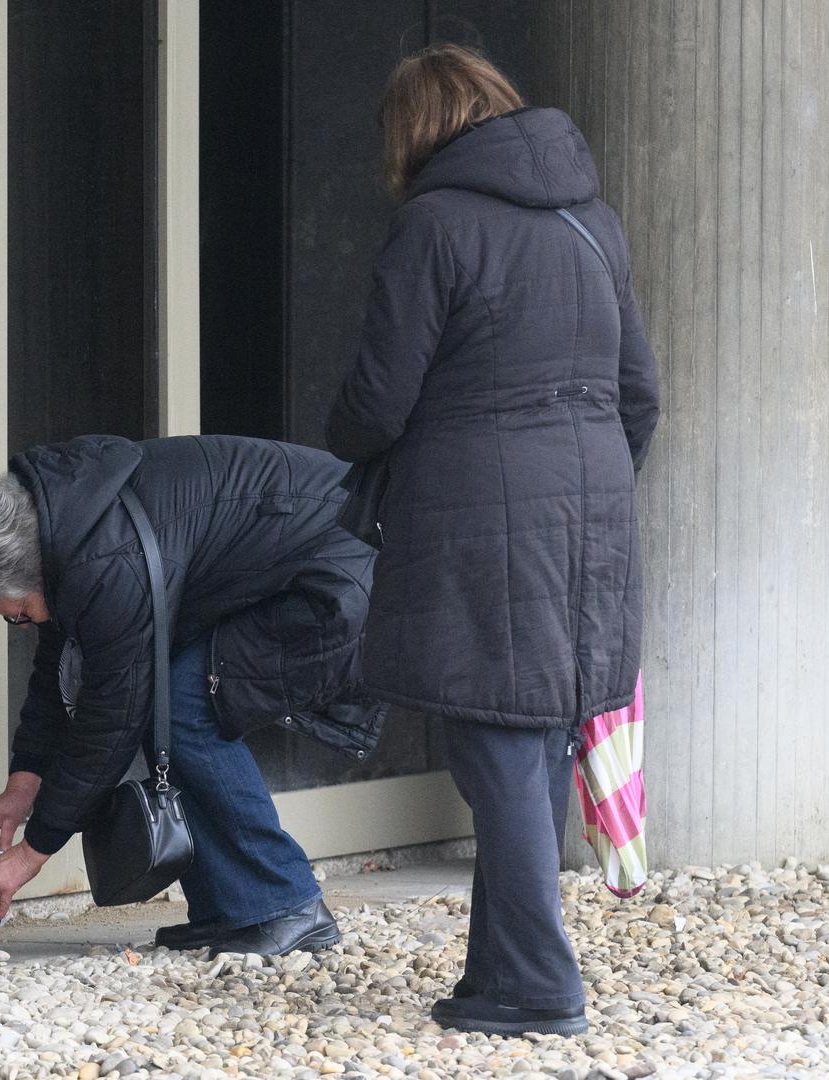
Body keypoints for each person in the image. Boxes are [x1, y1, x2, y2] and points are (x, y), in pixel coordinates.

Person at [325, 45, 660, 1037]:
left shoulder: (431, 226)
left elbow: (377, 400)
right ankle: (496, 973)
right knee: (534, 738)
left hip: (478, 521)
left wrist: (342, 439)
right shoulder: (588, 222)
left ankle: (535, 987)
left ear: (412, 131)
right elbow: (638, 394)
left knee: (498, 746)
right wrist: (586, 484)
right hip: (592, 513)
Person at [0, 434, 387, 958]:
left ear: (29, 570)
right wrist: (22, 785)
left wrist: (32, 853)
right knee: (171, 701)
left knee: (188, 707)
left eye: (17, 613)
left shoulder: (105, 559)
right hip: (317, 549)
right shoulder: (66, 525)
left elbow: (111, 723)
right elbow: (55, 663)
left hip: (341, 573)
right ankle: (233, 910)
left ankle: (288, 905)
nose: (20, 623)